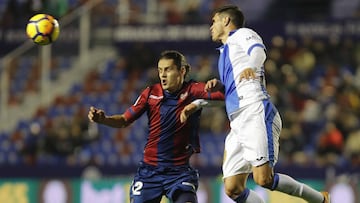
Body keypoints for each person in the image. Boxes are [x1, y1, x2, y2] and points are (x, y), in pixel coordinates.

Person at [181, 5, 330, 203]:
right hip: (237, 120)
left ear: (226, 21)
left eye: (214, 21)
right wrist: (204, 99)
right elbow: (231, 94)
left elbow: (259, 52)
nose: (211, 26)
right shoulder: (226, 52)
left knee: (264, 179)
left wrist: (252, 66)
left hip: (255, 111)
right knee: (233, 188)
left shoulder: (242, 34)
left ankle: (320, 199)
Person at [88, 50, 224, 203]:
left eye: (168, 69)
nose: (163, 75)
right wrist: (104, 119)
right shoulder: (150, 93)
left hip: (179, 173)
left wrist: (218, 87)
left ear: (182, 71)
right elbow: (125, 119)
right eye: (160, 70)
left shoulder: (193, 90)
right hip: (149, 173)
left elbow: (225, 96)